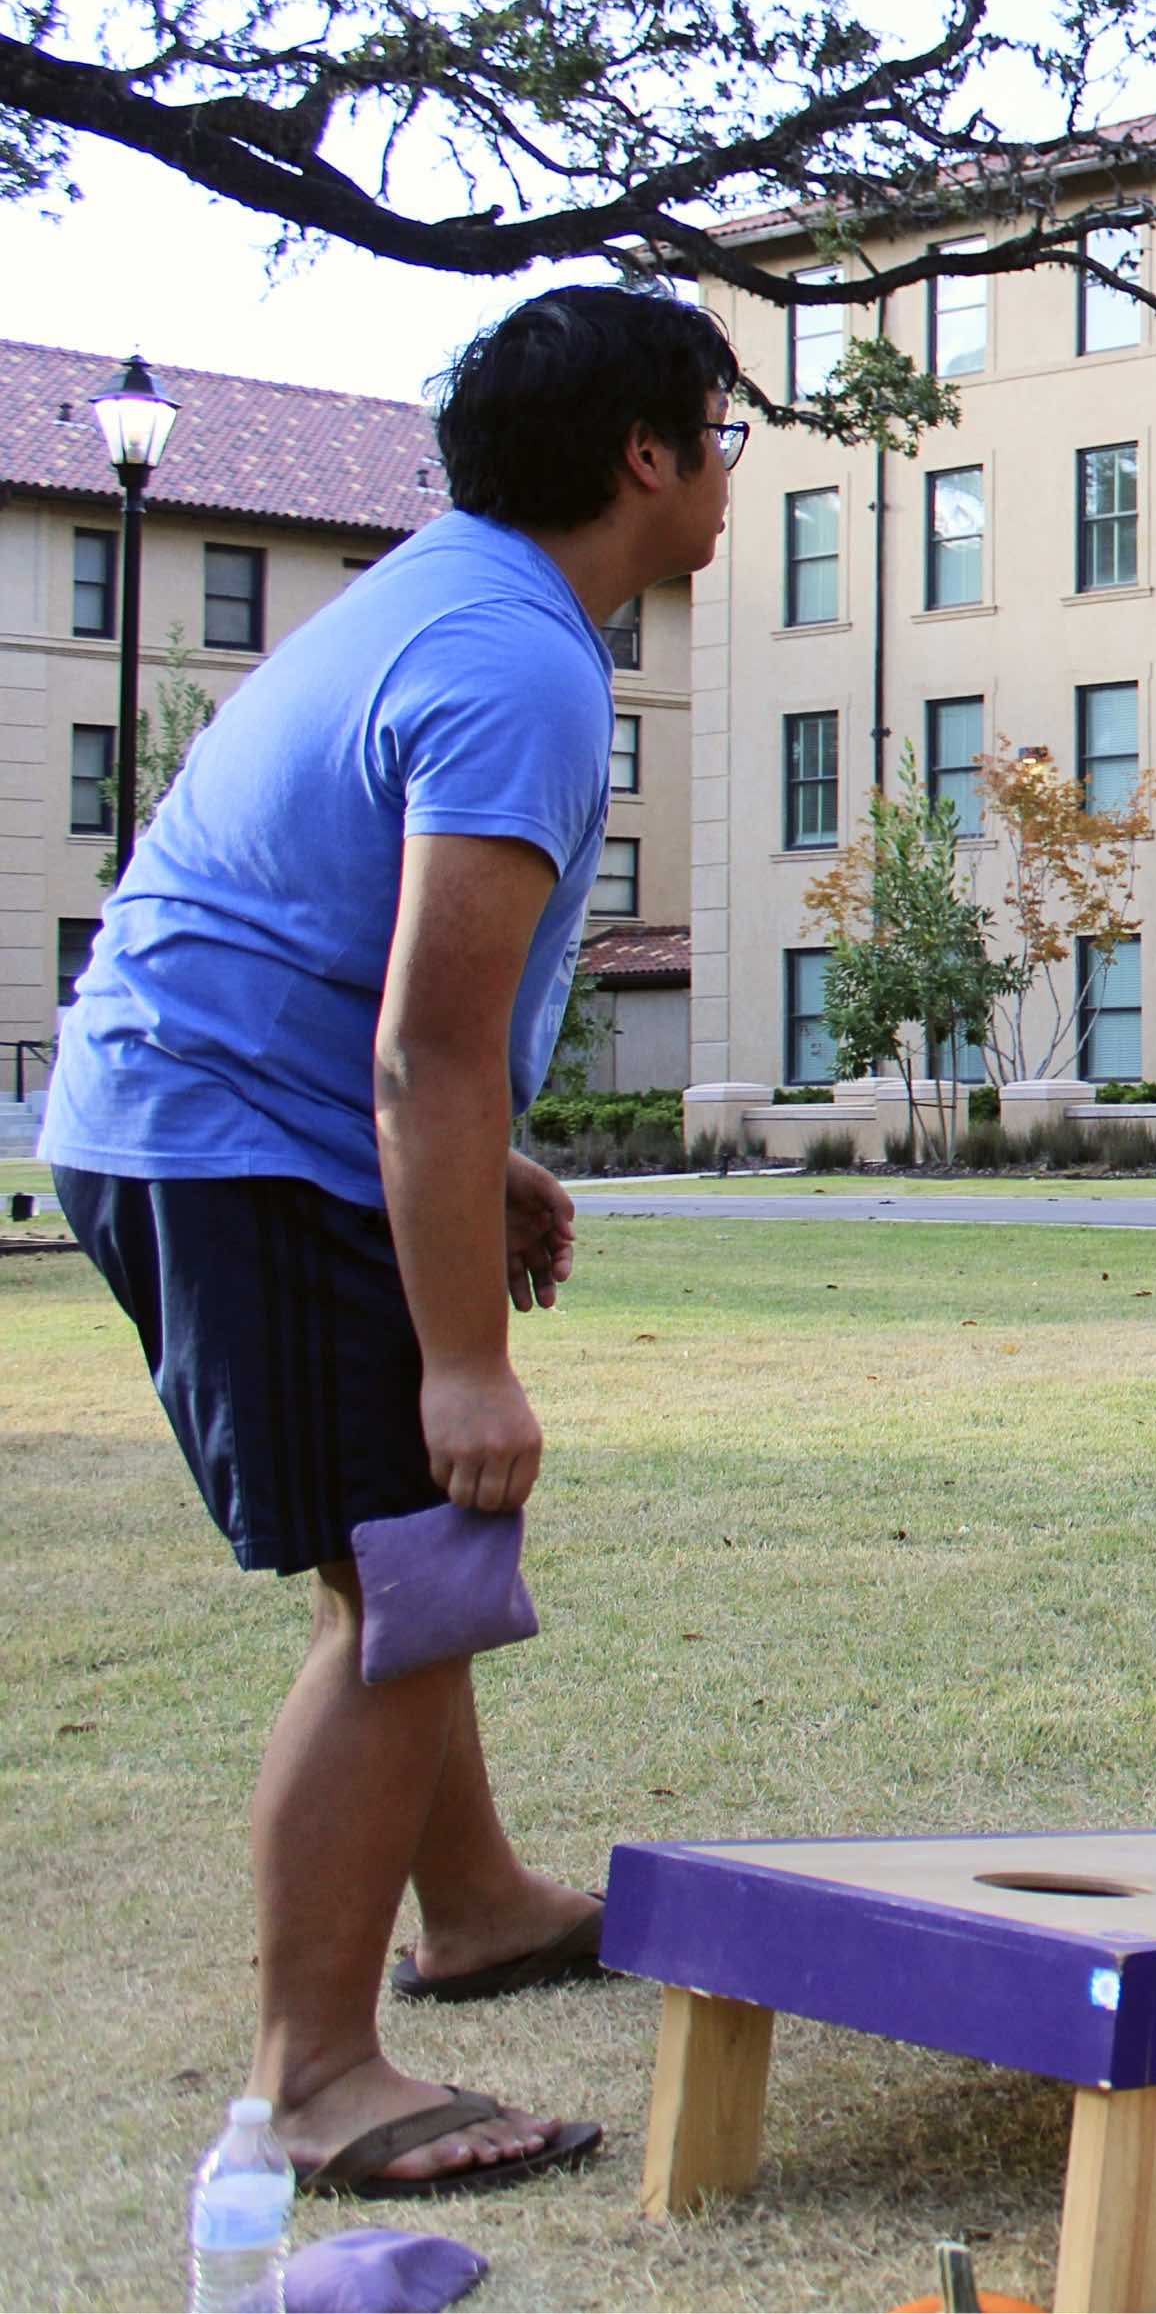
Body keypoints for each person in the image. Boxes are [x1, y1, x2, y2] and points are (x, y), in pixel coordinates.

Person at [44, 288, 739, 2200]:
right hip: (235, 1141)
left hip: (203, 1114)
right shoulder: (521, 661)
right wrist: (464, 1358)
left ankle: (486, 1902)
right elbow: (427, 1037)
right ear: (644, 456)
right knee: (420, 1559)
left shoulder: (452, 596)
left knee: (404, 1556)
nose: (731, 474)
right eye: (723, 435)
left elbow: (368, 956)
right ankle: (316, 2078)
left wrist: (479, 1164)